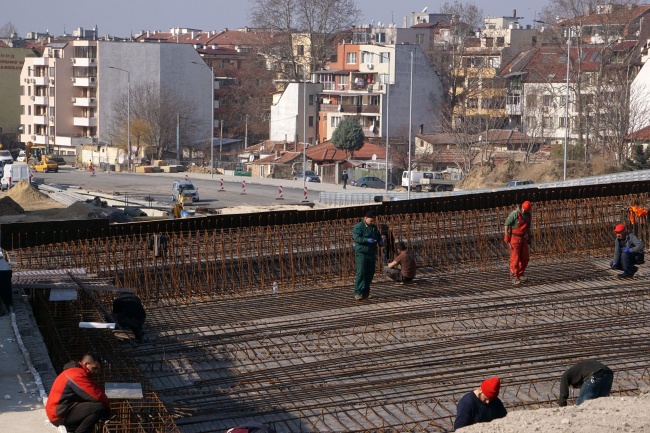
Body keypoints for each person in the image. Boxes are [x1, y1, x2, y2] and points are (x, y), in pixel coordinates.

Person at [46, 352, 111, 433]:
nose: (96, 372)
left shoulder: (76, 371)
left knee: (92, 406)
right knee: (99, 407)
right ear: (86, 363)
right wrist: (108, 410)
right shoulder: (77, 374)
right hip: (58, 415)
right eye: (94, 368)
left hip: (61, 410)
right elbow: (95, 395)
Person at [353, 210, 383, 300]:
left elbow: (378, 235)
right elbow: (357, 238)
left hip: (371, 252)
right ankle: (358, 292)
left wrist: (380, 241)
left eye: (373, 221)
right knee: (361, 273)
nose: (372, 222)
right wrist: (366, 240)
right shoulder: (358, 227)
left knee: (370, 273)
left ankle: (366, 292)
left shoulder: (374, 227)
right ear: (365, 218)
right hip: (362, 253)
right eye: (371, 221)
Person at [504, 200, 533, 285]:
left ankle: (520, 274)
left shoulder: (528, 215)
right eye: (523, 209)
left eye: (526, 210)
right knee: (515, 258)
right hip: (514, 238)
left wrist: (529, 237)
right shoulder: (515, 214)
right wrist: (506, 235)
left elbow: (528, 227)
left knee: (525, 258)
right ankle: (514, 276)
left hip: (523, 238)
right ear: (522, 207)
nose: (524, 211)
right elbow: (507, 224)